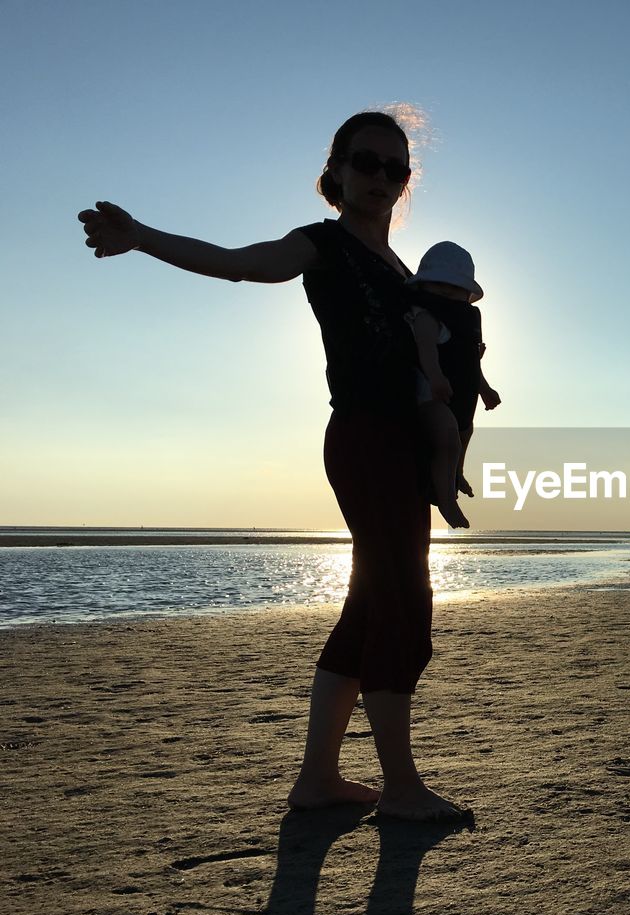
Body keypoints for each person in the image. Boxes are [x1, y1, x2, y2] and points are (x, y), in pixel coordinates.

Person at [77, 109, 469, 822]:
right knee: (404, 605)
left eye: (395, 168)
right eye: (366, 162)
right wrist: (142, 239)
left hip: (403, 445)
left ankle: (317, 779)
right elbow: (242, 264)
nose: (380, 178)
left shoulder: (403, 270)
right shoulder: (321, 245)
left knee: (367, 605)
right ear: (337, 170)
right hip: (362, 438)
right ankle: (403, 789)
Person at [404, 241, 501, 523]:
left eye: (456, 289)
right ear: (423, 287)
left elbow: (470, 363)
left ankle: (456, 474)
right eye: (439, 285)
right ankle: (446, 500)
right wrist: (435, 378)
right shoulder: (425, 316)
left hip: (459, 394)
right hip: (429, 393)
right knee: (447, 434)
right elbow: (426, 351)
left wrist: (485, 389)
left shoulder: (465, 322)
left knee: (463, 432)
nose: (447, 293)